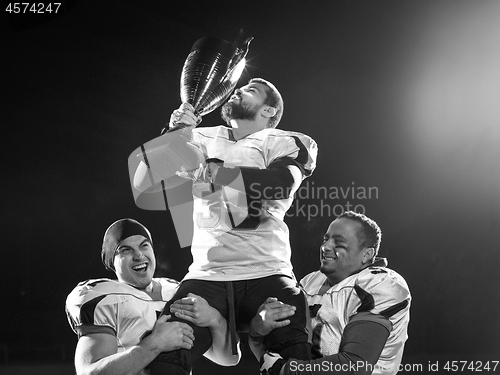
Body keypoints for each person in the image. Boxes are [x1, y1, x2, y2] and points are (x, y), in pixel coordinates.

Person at [134, 78, 318, 374]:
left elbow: (281, 185)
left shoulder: (284, 140)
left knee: (292, 356)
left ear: (269, 110)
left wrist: (219, 172)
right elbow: (144, 180)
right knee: (165, 355)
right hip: (207, 275)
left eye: (251, 91)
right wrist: (172, 134)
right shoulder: (200, 137)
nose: (238, 90)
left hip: (267, 272)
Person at [65, 218, 240, 375]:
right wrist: (154, 344)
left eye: (144, 245)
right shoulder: (104, 298)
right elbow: (90, 372)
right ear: (112, 261)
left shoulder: (177, 291)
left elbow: (229, 358)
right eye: (125, 250)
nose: (139, 255)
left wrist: (215, 320)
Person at [250, 211, 411, 375]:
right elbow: (271, 361)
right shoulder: (309, 282)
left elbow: (354, 366)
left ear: (367, 254)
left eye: (339, 243)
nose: (325, 247)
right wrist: (257, 333)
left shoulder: (379, 284)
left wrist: (285, 370)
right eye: (326, 239)